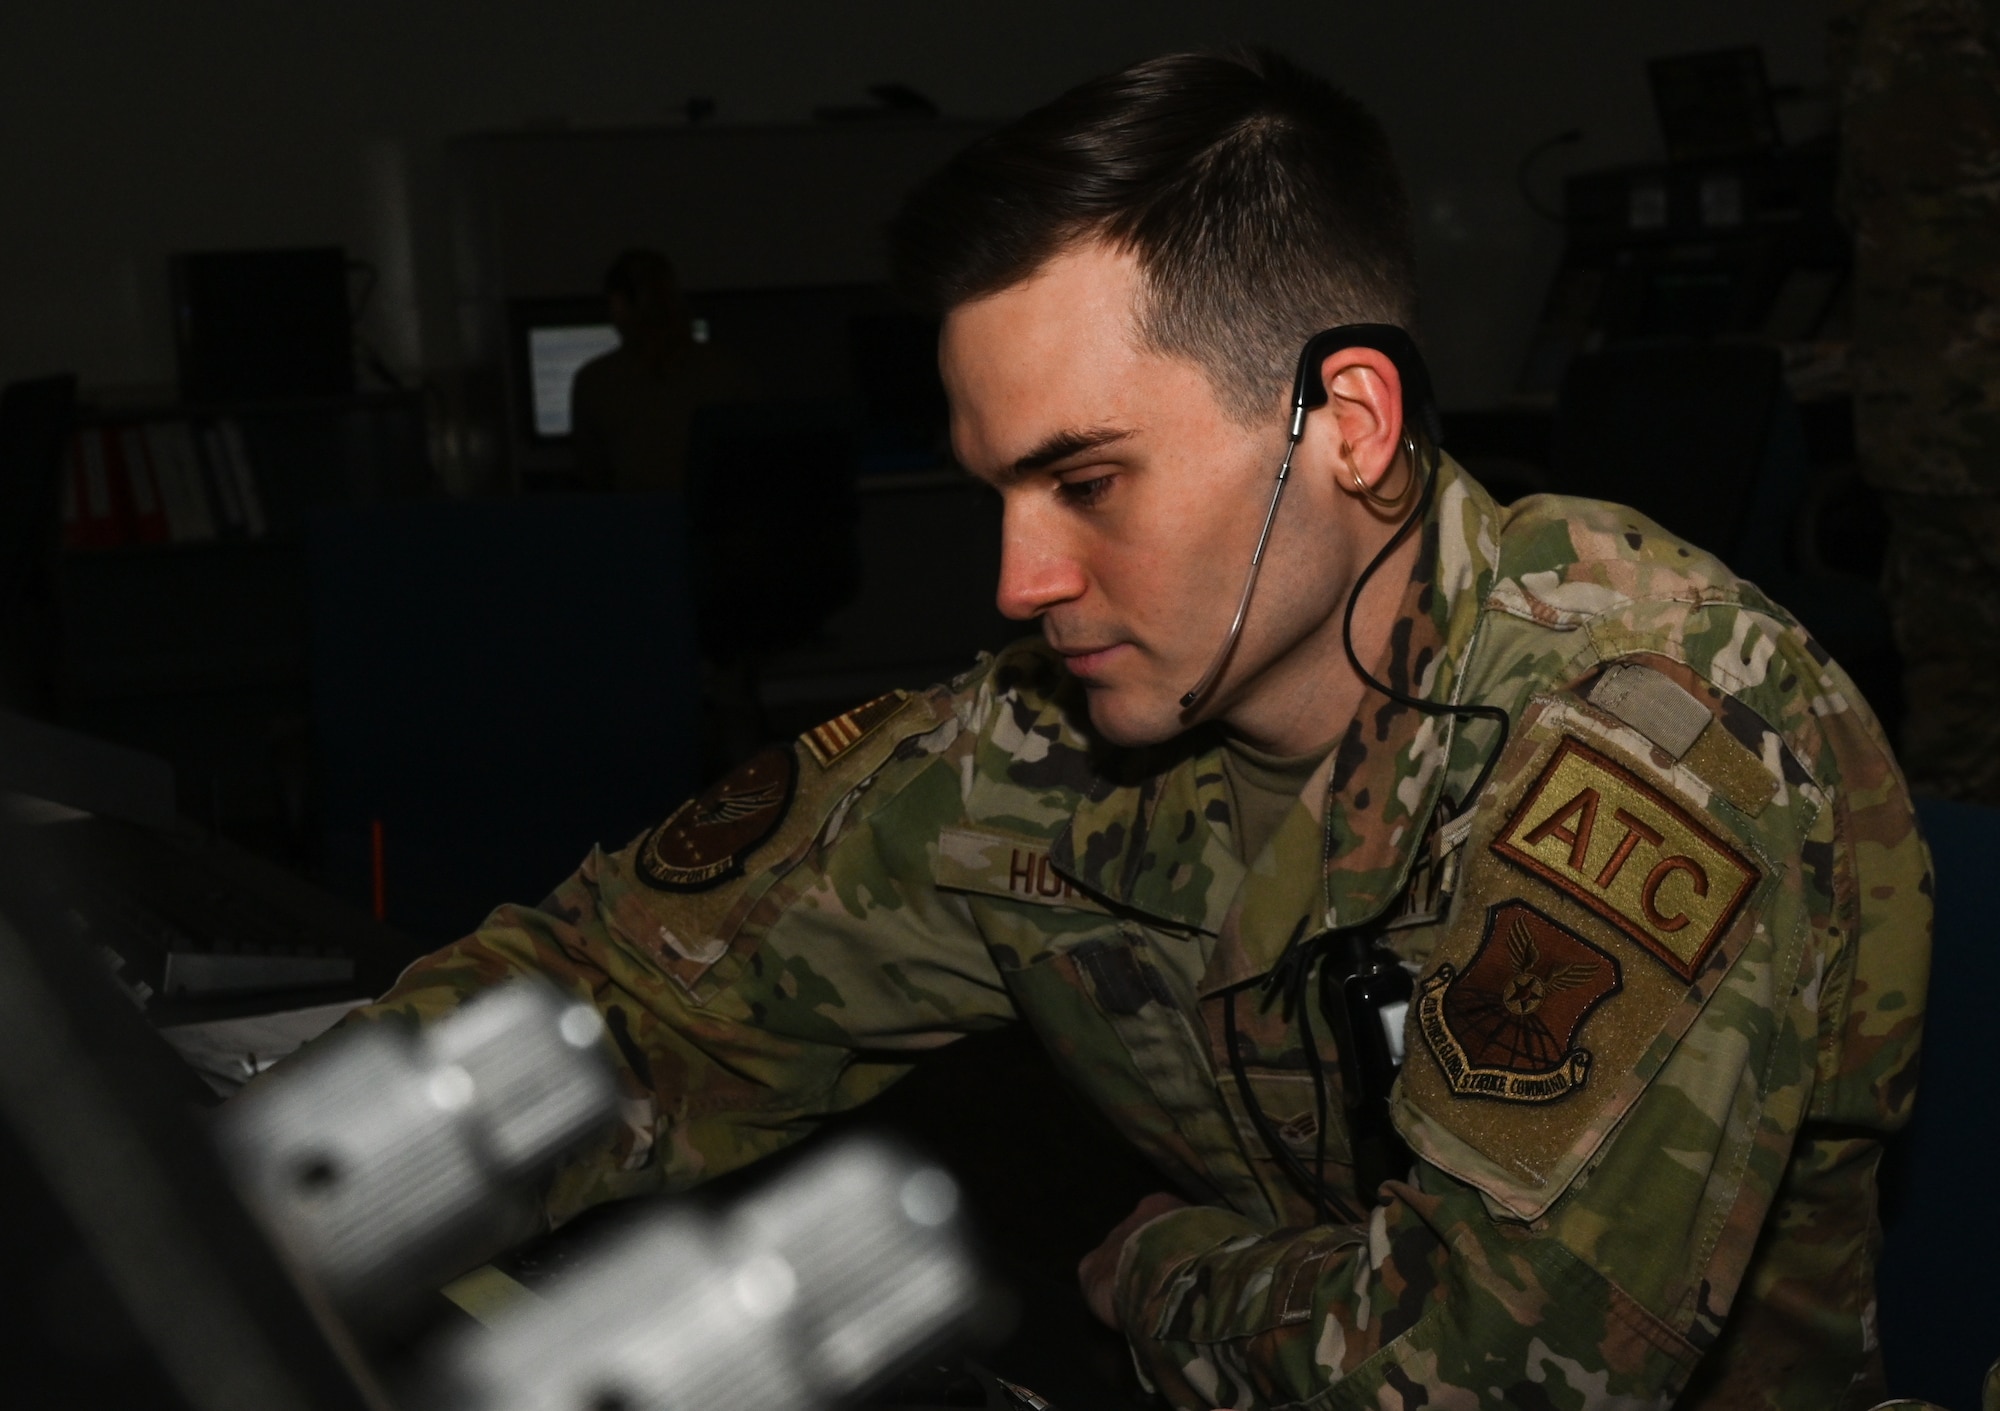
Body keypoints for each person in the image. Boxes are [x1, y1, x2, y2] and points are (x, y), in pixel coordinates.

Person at [341, 52, 1929, 1407]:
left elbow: (1489, 1369)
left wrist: (1172, 1273)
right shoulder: (1059, 740)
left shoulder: (1652, 727)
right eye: (1003, 492)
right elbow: (631, 993)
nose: (1023, 578)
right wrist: (282, 1173)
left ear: (1349, 426)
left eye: (1090, 482)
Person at [1831, 0, 2000, 804]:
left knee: (1954, 714)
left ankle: (1960, 916)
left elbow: (1853, 201)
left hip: (1914, 420)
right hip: (1971, 415)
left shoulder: (1874, 27)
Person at [569, 248, 754, 495]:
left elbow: (593, 476)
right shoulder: (725, 368)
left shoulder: (595, 380)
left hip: (634, 521)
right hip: (714, 521)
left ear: (620, 304)